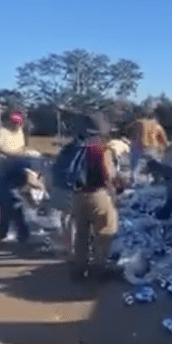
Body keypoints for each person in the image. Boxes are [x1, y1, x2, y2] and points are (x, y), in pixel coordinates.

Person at [69, 113, 121, 281]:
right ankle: (99, 270)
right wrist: (115, 194)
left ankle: (79, 269)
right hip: (97, 195)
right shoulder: (101, 149)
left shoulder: (74, 147)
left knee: (81, 235)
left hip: (77, 196)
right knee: (105, 232)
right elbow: (109, 176)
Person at [0, 154, 47, 244]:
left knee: (10, 204)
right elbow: (31, 180)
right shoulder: (34, 164)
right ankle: (16, 234)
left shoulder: (29, 164)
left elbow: (25, 190)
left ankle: (13, 233)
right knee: (11, 203)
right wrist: (43, 189)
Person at [125, 109, 168, 185]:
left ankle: (133, 182)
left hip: (139, 148)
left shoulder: (138, 124)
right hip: (154, 149)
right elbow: (163, 140)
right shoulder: (157, 126)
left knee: (135, 167)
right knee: (156, 166)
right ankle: (157, 180)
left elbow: (128, 130)